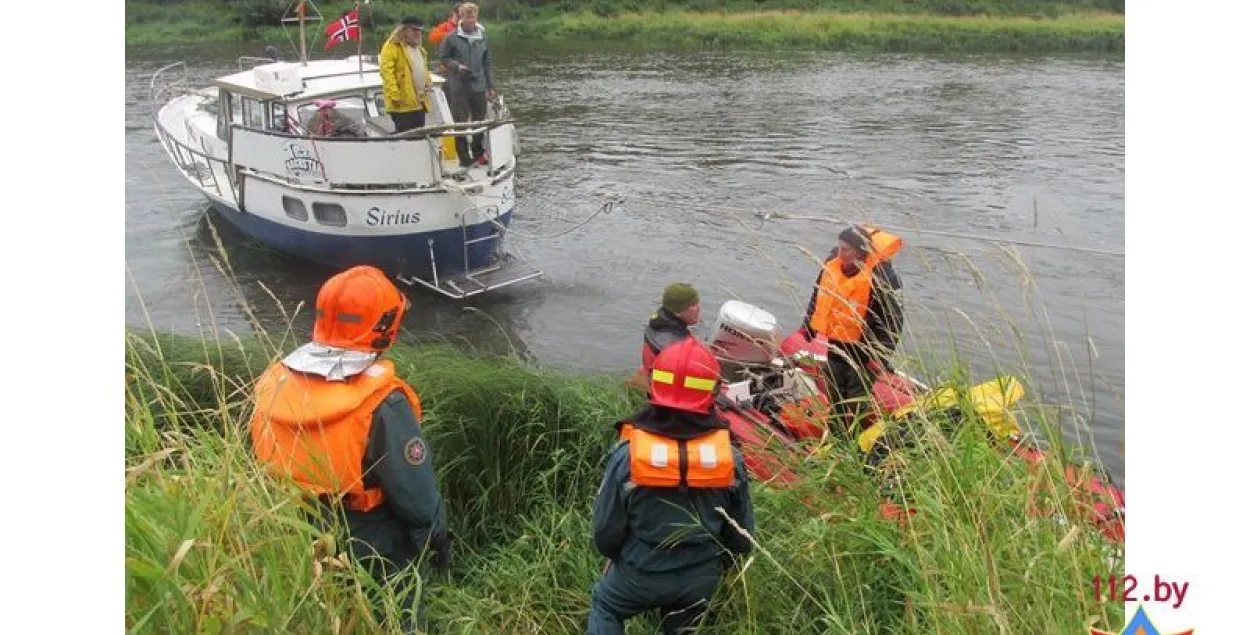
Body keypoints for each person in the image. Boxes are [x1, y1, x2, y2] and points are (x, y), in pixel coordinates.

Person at [249, 265, 450, 634]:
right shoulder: (383, 404)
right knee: (395, 617)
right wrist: (435, 535)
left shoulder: (275, 384)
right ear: (385, 327)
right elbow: (416, 497)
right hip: (374, 540)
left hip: (296, 528)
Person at [588, 338, 756, 635]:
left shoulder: (627, 455)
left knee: (606, 606)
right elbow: (742, 537)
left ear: (654, 386)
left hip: (640, 571)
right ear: (714, 392)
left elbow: (605, 531)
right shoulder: (731, 458)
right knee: (684, 626)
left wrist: (617, 559)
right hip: (700, 577)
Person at [801, 224, 905, 425]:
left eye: (846, 250)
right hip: (836, 345)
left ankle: (859, 438)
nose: (839, 253)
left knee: (857, 399)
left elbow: (893, 321)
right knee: (835, 394)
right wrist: (807, 327)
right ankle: (836, 434)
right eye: (839, 247)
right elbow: (818, 295)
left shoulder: (883, 277)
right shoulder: (833, 263)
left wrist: (880, 356)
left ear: (860, 253)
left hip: (864, 352)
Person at [437, 2, 497, 167]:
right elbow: (443, 57)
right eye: (467, 16)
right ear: (461, 17)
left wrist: (490, 86)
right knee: (461, 122)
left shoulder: (482, 37)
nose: (471, 19)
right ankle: (464, 157)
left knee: (479, 120)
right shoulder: (451, 37)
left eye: (473, 16)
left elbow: (487, 62)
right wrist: (457, 66)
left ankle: (478, 152)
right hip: (459, 86)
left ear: (476, 17)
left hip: (479, 85)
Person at [379, 16, 435, 134]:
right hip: (401, 105)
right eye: (414, 30)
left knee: (419, 136)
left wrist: (428, 82)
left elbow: (424, 69)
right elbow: (387, 73)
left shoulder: (419, 49)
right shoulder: (392, 46)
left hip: (419, 103)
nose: (417, 33)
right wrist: (395, 95)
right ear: (404, 30)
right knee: (405, 137)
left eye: (419, 31)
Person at [640, 282, 702, 378]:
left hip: (651, 376)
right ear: (677, 311)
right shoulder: (679, 345)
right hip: (664, 389)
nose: (699, 309)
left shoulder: (657, 323)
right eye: (693, 305)